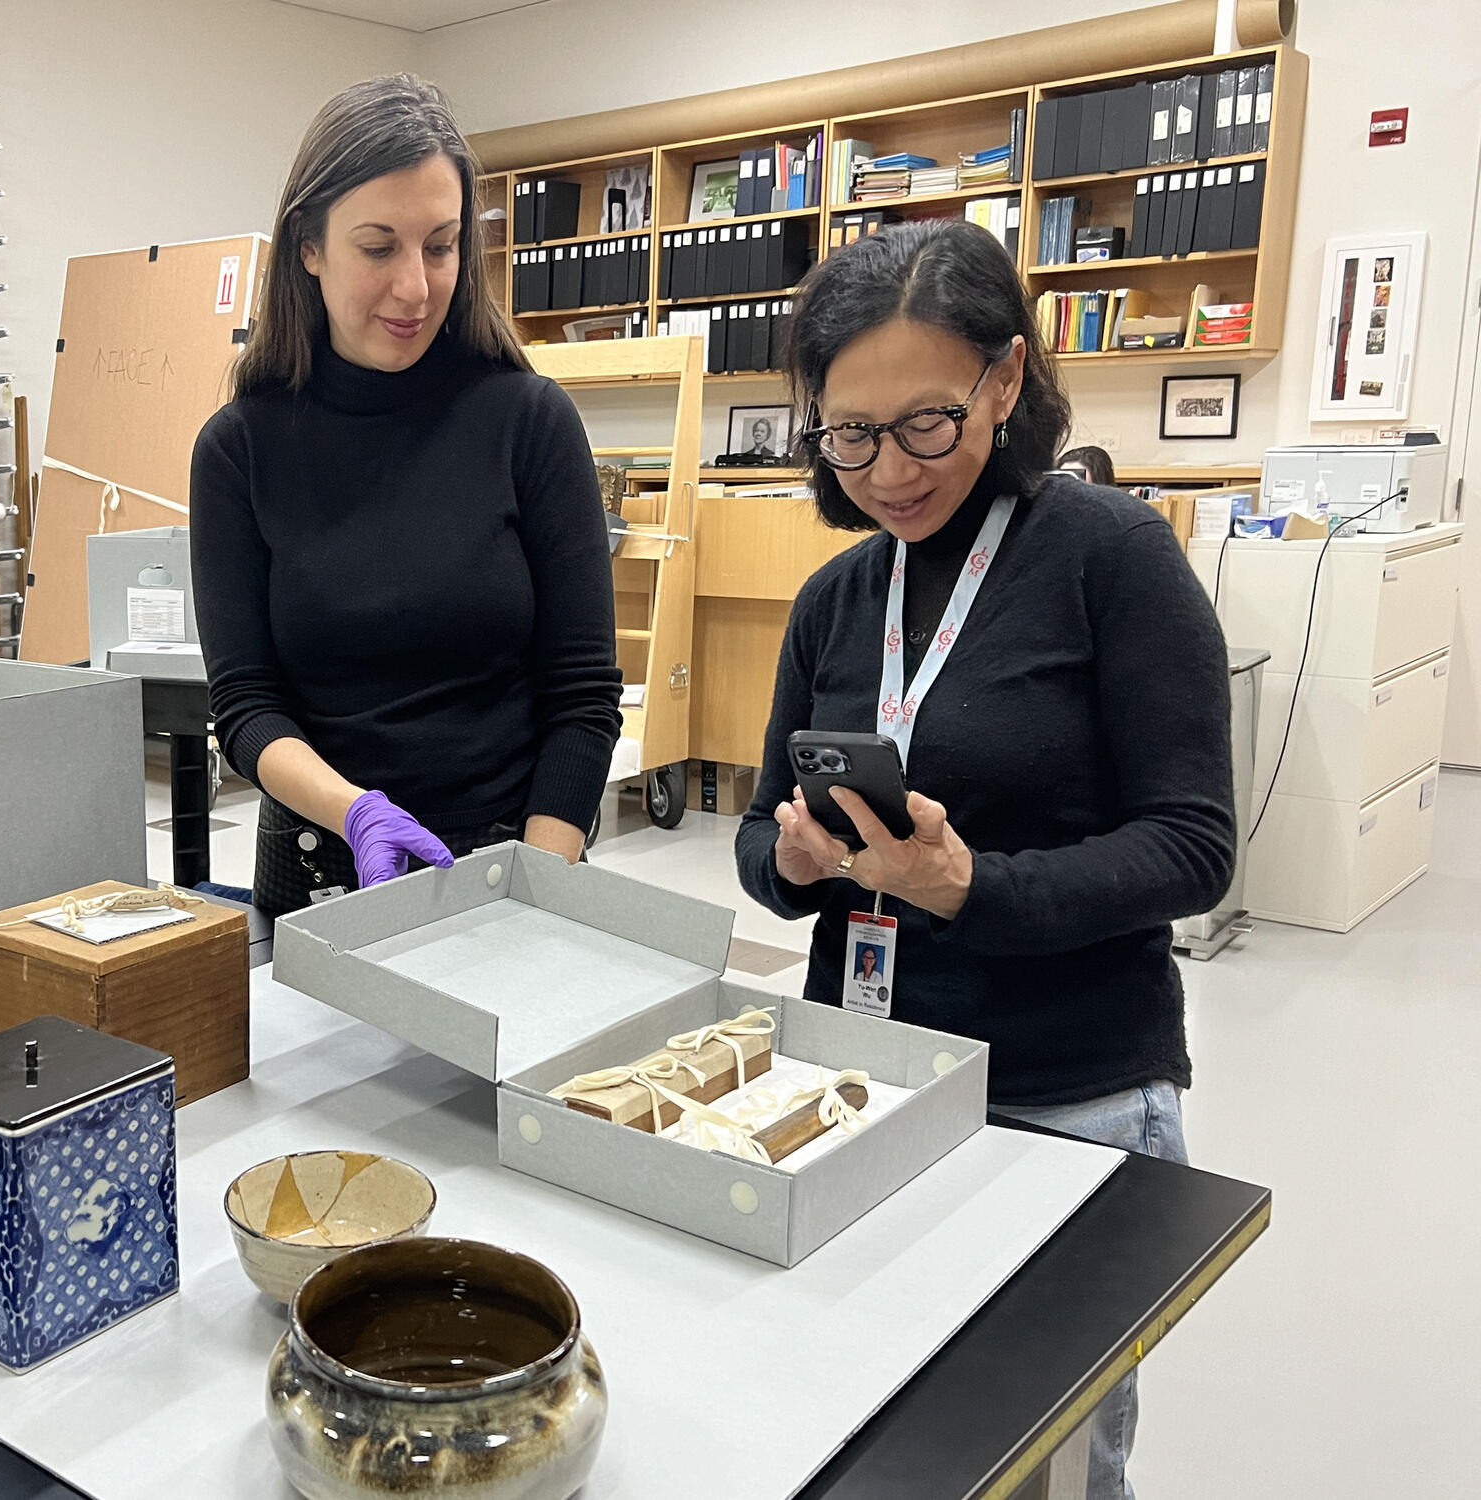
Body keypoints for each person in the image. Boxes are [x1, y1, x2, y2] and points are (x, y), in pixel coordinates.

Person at [735, 219, 1235, 1500]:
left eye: (924, 424)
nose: (886, 470)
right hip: (865, 1085)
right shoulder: (836, 598)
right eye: (848, 433)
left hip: (1066, 1090)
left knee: (1050, 1457)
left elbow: (1192, 847)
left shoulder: (1110, 559)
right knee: (879, 1440)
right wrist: (794, 861)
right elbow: (753, 838)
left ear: (1003, 384)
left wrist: (970, 890)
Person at [191, 75, 622, 918]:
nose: (418, 288)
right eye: (379, 247)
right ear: (309, 247)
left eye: (442, 245)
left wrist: (532, 894)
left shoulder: (527, 422)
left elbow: (582, 696)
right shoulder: (241, 449)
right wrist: (356, 811)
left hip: (513, 864)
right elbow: (246, 705)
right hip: (319, 865)